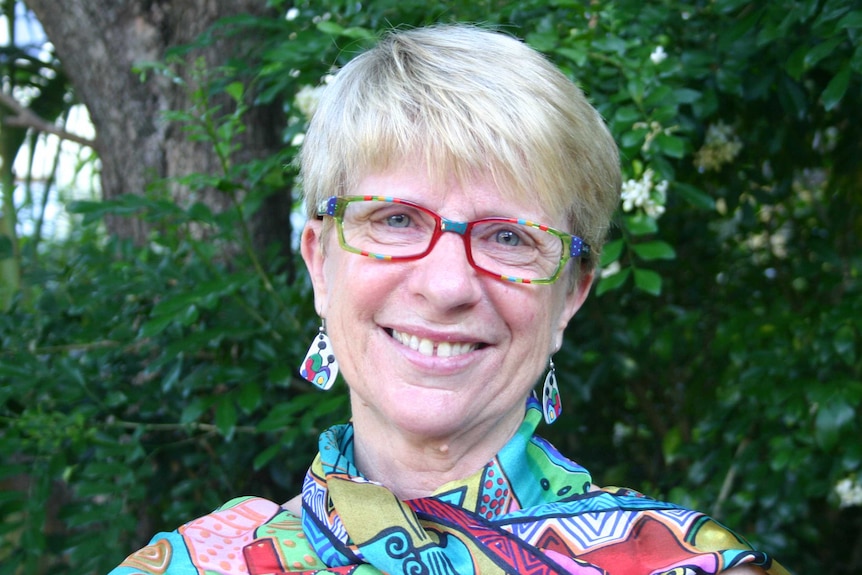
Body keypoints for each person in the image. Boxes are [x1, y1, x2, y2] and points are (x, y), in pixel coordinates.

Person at [109, 24, 788, 575]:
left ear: (571, 296)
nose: (447, 285)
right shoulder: (200, 563)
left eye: (508, 236)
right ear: (320, 264)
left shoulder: (684, 563)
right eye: (396, 219)